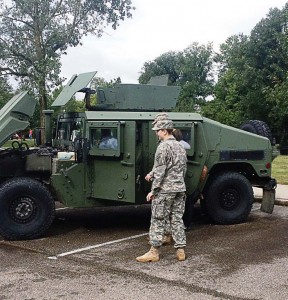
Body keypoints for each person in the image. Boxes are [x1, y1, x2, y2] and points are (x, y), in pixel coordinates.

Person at [136, 116, 187, 262]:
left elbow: (161, 171)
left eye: (158, 130)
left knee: (158, 219)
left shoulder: (163, 147)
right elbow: (182, 169)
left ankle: (154, 252)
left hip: (165, 190)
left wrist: (154, 191)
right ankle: (180, 251)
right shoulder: (180, 146)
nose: (156, 133)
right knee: (177, 219)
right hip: (179, 189)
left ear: (164, 131)